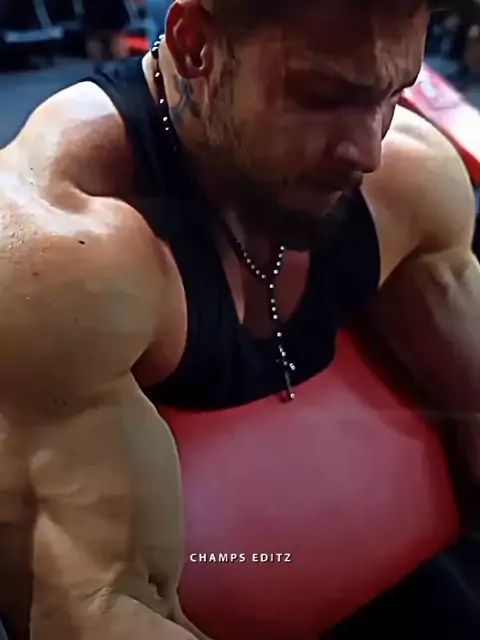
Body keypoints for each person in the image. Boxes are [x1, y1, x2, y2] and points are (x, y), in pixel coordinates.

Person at [0, 0, 479, 638]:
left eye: (394, 93)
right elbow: (92, 607)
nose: (368, 149)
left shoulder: (407, 178)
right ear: (196, 46)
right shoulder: (53, 249)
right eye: (321, 95)